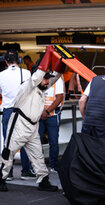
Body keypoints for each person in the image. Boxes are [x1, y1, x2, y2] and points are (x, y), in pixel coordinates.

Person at [0, 46, 63, 192]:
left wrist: (63, 60)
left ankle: (43, 181)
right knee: (8, 152)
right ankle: (1, 178)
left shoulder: (41, 87)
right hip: (19, 125)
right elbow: (40, 73)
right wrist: (48, 53)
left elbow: (57, 76)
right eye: (45, 79)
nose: (48, 82)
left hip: (33, 126)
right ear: (39, 78)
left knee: (38, 156)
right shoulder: (27, 86)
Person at [0, 50, 36, 180]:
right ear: (19, 60)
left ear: (5, 61)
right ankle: (25, 171)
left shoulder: (1, 75)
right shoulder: (26, 73)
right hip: (23, 111)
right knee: (25, 141)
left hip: (8, 111)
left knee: (8, 142)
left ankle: (7, 172)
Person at [38, 72, 65, 173]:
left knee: (53, 141)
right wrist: (41, 111)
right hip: (39, 114)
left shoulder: (57, 80)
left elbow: (59, 98)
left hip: (53, 115)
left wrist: (47, 111)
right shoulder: (38, 80)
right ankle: (39, 166)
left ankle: (53, 164)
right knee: (37, 142)